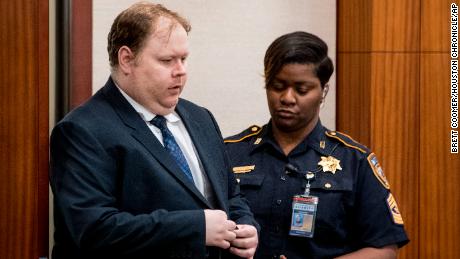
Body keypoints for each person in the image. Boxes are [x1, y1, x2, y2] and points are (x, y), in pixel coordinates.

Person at [49, 2, 258, 259]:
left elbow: (230, 196)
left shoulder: (200, 118)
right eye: (167, 60)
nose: (181, 70)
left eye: (184, 59)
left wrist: (246, 226)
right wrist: (195, 227)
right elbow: (94, 230)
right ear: (126, 59)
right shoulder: (82, 131)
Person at [224, 31, 409, 259]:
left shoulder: (354, 160)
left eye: (302, 90)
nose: (287, 98)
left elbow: (384, 249)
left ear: (323, 91)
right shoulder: (231, 153)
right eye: (278, 86)